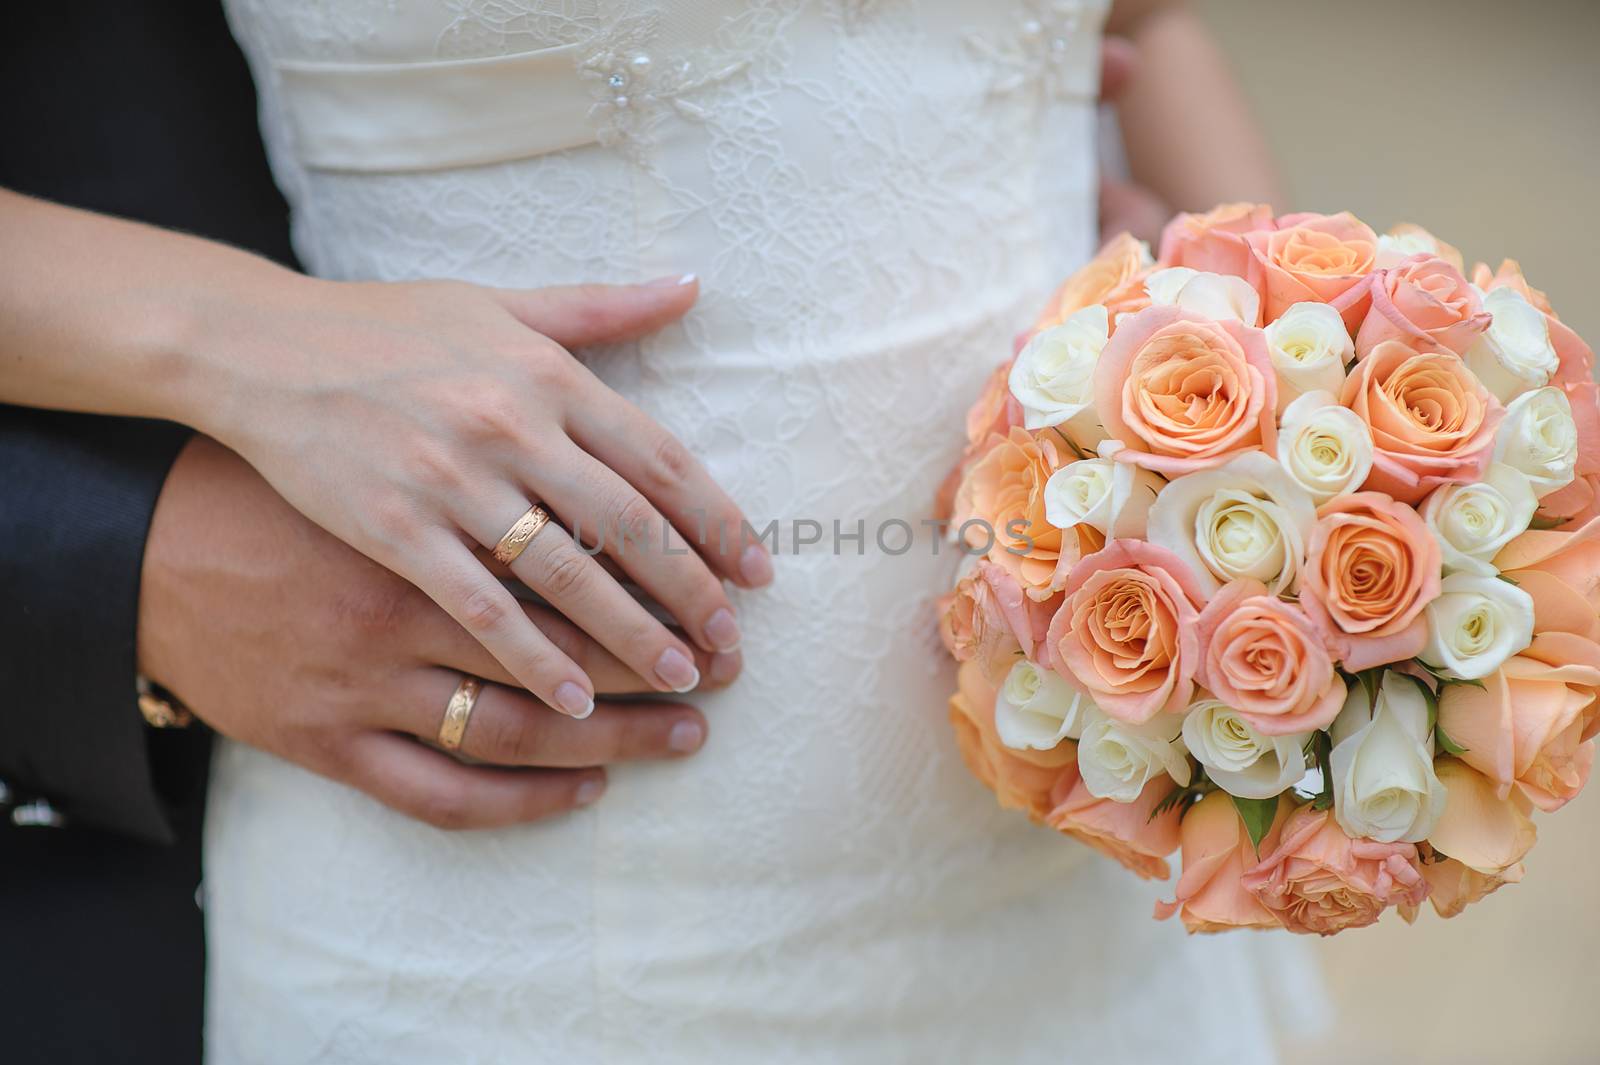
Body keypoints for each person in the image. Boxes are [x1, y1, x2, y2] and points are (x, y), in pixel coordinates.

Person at [2, 1, 1306, 1061]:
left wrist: (1290, 355)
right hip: (526, 909)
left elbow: (1146, 23)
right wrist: (248, 341)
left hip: (1078, 880)